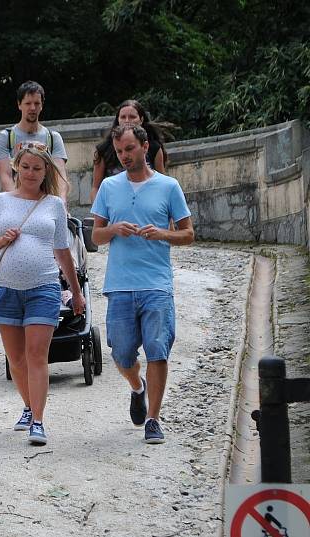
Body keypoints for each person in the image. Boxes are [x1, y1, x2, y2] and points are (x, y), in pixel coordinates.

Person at [90, 125, 194, 444]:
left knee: (158, 350)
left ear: (145, 146)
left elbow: (188, 234)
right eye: (120, 151)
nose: (124, 156)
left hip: (156, 284)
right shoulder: (109, 187)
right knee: (121, 354)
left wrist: (162, 233)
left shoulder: (169, 186)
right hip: (120, 284)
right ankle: (138, 387)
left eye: (130, 149)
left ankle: (153, 419)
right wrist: (114, 229)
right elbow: (95, 235)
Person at [0, 141, 85, 446]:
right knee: (16, 358)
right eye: (25, 166)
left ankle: (38, 421)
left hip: (44, 286)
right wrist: (2, 239)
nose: (30, 172)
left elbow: (63, 252)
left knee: (37, 355)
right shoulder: (0, 201)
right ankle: (27, 406)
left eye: (37, 168)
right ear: (16, 167)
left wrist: (76, 293)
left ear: (45, 171)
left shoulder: (53, 205)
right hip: (5, 287)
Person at [0, 80, 70, 207]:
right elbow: (6, 176)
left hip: (47, 202)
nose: (32, 108)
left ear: (42, 105)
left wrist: (61, 202)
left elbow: (60, 175)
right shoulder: (5, 137)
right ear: (19, 105)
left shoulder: (53, 137)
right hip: (15, 203)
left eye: (36, 103)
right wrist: (19, 204)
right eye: (28, 103)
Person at [91, 99, 169, 203]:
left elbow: (162, 184)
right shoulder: (104, 150)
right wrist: (100, 212)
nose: (127, 121)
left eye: (132, 117)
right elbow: (96, 187)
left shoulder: (154, 148)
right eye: (123, 117)